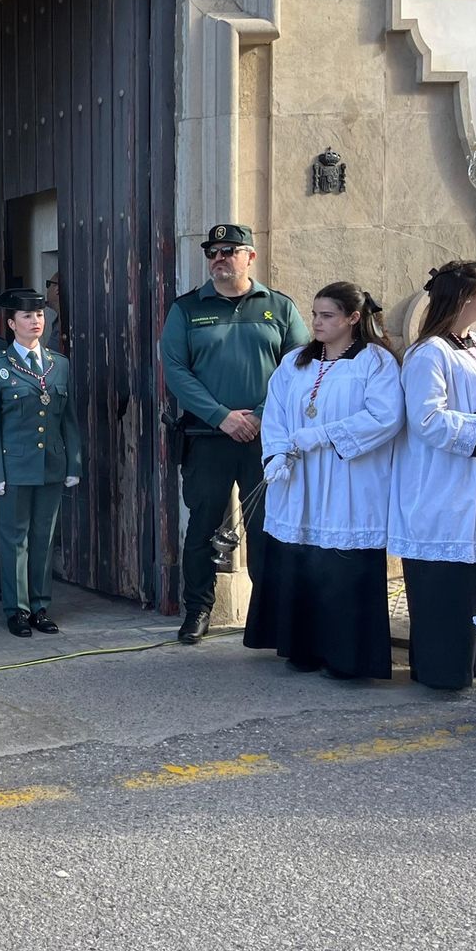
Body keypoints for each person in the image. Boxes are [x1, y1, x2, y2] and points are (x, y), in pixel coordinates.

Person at [158, 224, 310, 644]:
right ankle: (198, 610)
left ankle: (270, 616)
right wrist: (222, 415)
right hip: (207, 438)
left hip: (265, 440)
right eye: (212, 252)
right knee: (203, 525)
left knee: (267, 527)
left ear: (250, 257)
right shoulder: (187, 309)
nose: (219, 258)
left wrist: (260, 416)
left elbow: (297, 368)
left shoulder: (278, 307)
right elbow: (175, 370)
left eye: (229, 250)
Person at [244, 284, 402, 678]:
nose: (316, 322)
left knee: (342, 561)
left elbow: (385, 417)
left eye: (327, 315)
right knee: (300, 557)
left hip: (348, 477)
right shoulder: (295, 361)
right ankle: (304, 648)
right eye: (314, 314)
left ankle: (347, 656)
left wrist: (325, 435)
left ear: (353, 318)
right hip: (300, 479)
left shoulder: (375, 362)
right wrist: (276, 453)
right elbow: (277, 410)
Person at [389, 261, 476, 691]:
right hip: (440, 486)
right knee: (445, 586)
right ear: (467, 297)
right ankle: (441, 671)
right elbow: (427, 420)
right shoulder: (428, 353)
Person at [0, 288, 81, 637]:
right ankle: (17, 610)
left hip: (50, 465)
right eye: (27, 316)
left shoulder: (59, 364)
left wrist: (73, 465)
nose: (35, 321)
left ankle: (40, 606)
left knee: (44, 538)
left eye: (39, 315)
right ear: (11, 323)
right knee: (14, 540)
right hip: (13, 469)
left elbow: (70, 420)